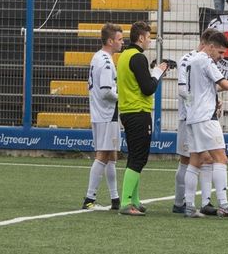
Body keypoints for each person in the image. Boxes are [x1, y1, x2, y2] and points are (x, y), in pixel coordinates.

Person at [182, 31, 228, 218]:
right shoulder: (206, 61)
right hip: (206, 117)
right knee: (221, 158)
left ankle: (188, 206)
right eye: (219, 53)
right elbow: (225, 84)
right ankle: (224, 205)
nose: (221, 57)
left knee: (196, 160)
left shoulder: (193, 61)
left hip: (193, 116)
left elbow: (208, 87)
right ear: (210, 47)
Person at [116, 21, 169, 215]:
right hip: (138, 112)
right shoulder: (138, 58)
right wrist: (158, 73)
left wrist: (153, 72)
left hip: (128, 111)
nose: (150, 41)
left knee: (135, 157)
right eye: (148, 37)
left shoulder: (124, 56)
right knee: (139, 158)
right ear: (140, 38)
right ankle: (126, 202)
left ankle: (134, 200)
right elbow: (148, 88)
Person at [172, 29, 218, 214]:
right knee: (188, 159)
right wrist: (195, 105)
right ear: (205, 43)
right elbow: (182, 89)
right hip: (189, 117)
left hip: (201, 117)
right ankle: (179, 202)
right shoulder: (188, 59)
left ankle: (205, 202)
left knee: (206, 159)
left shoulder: (205, 60)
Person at [82, 22, 124, 210]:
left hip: (100, 112)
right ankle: (89, 199)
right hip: (107, 113)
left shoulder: (97, 57)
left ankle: (115, 199)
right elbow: (107, 91)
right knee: (103, 154)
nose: (122, 43)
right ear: (110, 41)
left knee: (112, 155)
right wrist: (123, 98)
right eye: (119, 39)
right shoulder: (106, 62)